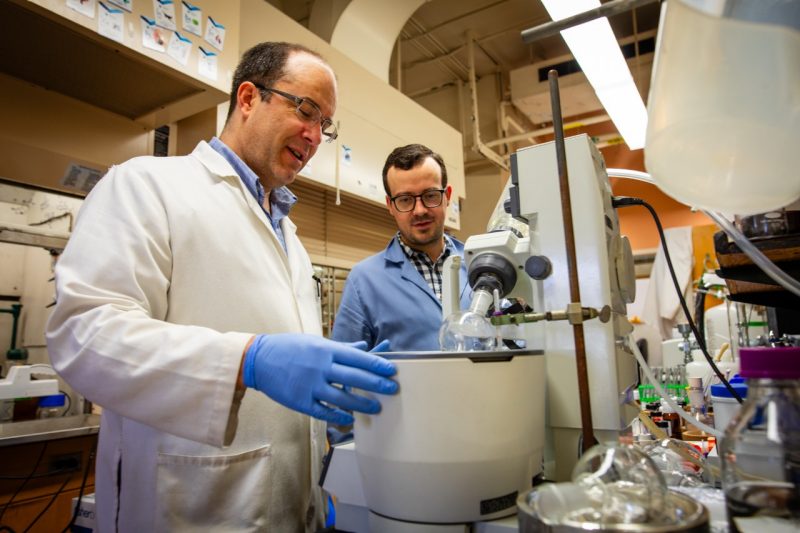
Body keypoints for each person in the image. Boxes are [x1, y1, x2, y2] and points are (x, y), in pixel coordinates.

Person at [45, 42, 398, 532]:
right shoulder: (146, 185)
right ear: (249, 98)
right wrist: (247, 361)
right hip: (187, 508)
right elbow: (84, 335)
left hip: (295, 509)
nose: (316, 136)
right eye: (306, 110)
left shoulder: (290, 238)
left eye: (326, 125)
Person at [332, 144, 472, 352]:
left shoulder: (478, 265)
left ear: (447, 196)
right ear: (390, 205)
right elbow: (345, 362)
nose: (419, 210)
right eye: (405, 200)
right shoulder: (363, 281)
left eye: (430, 195)